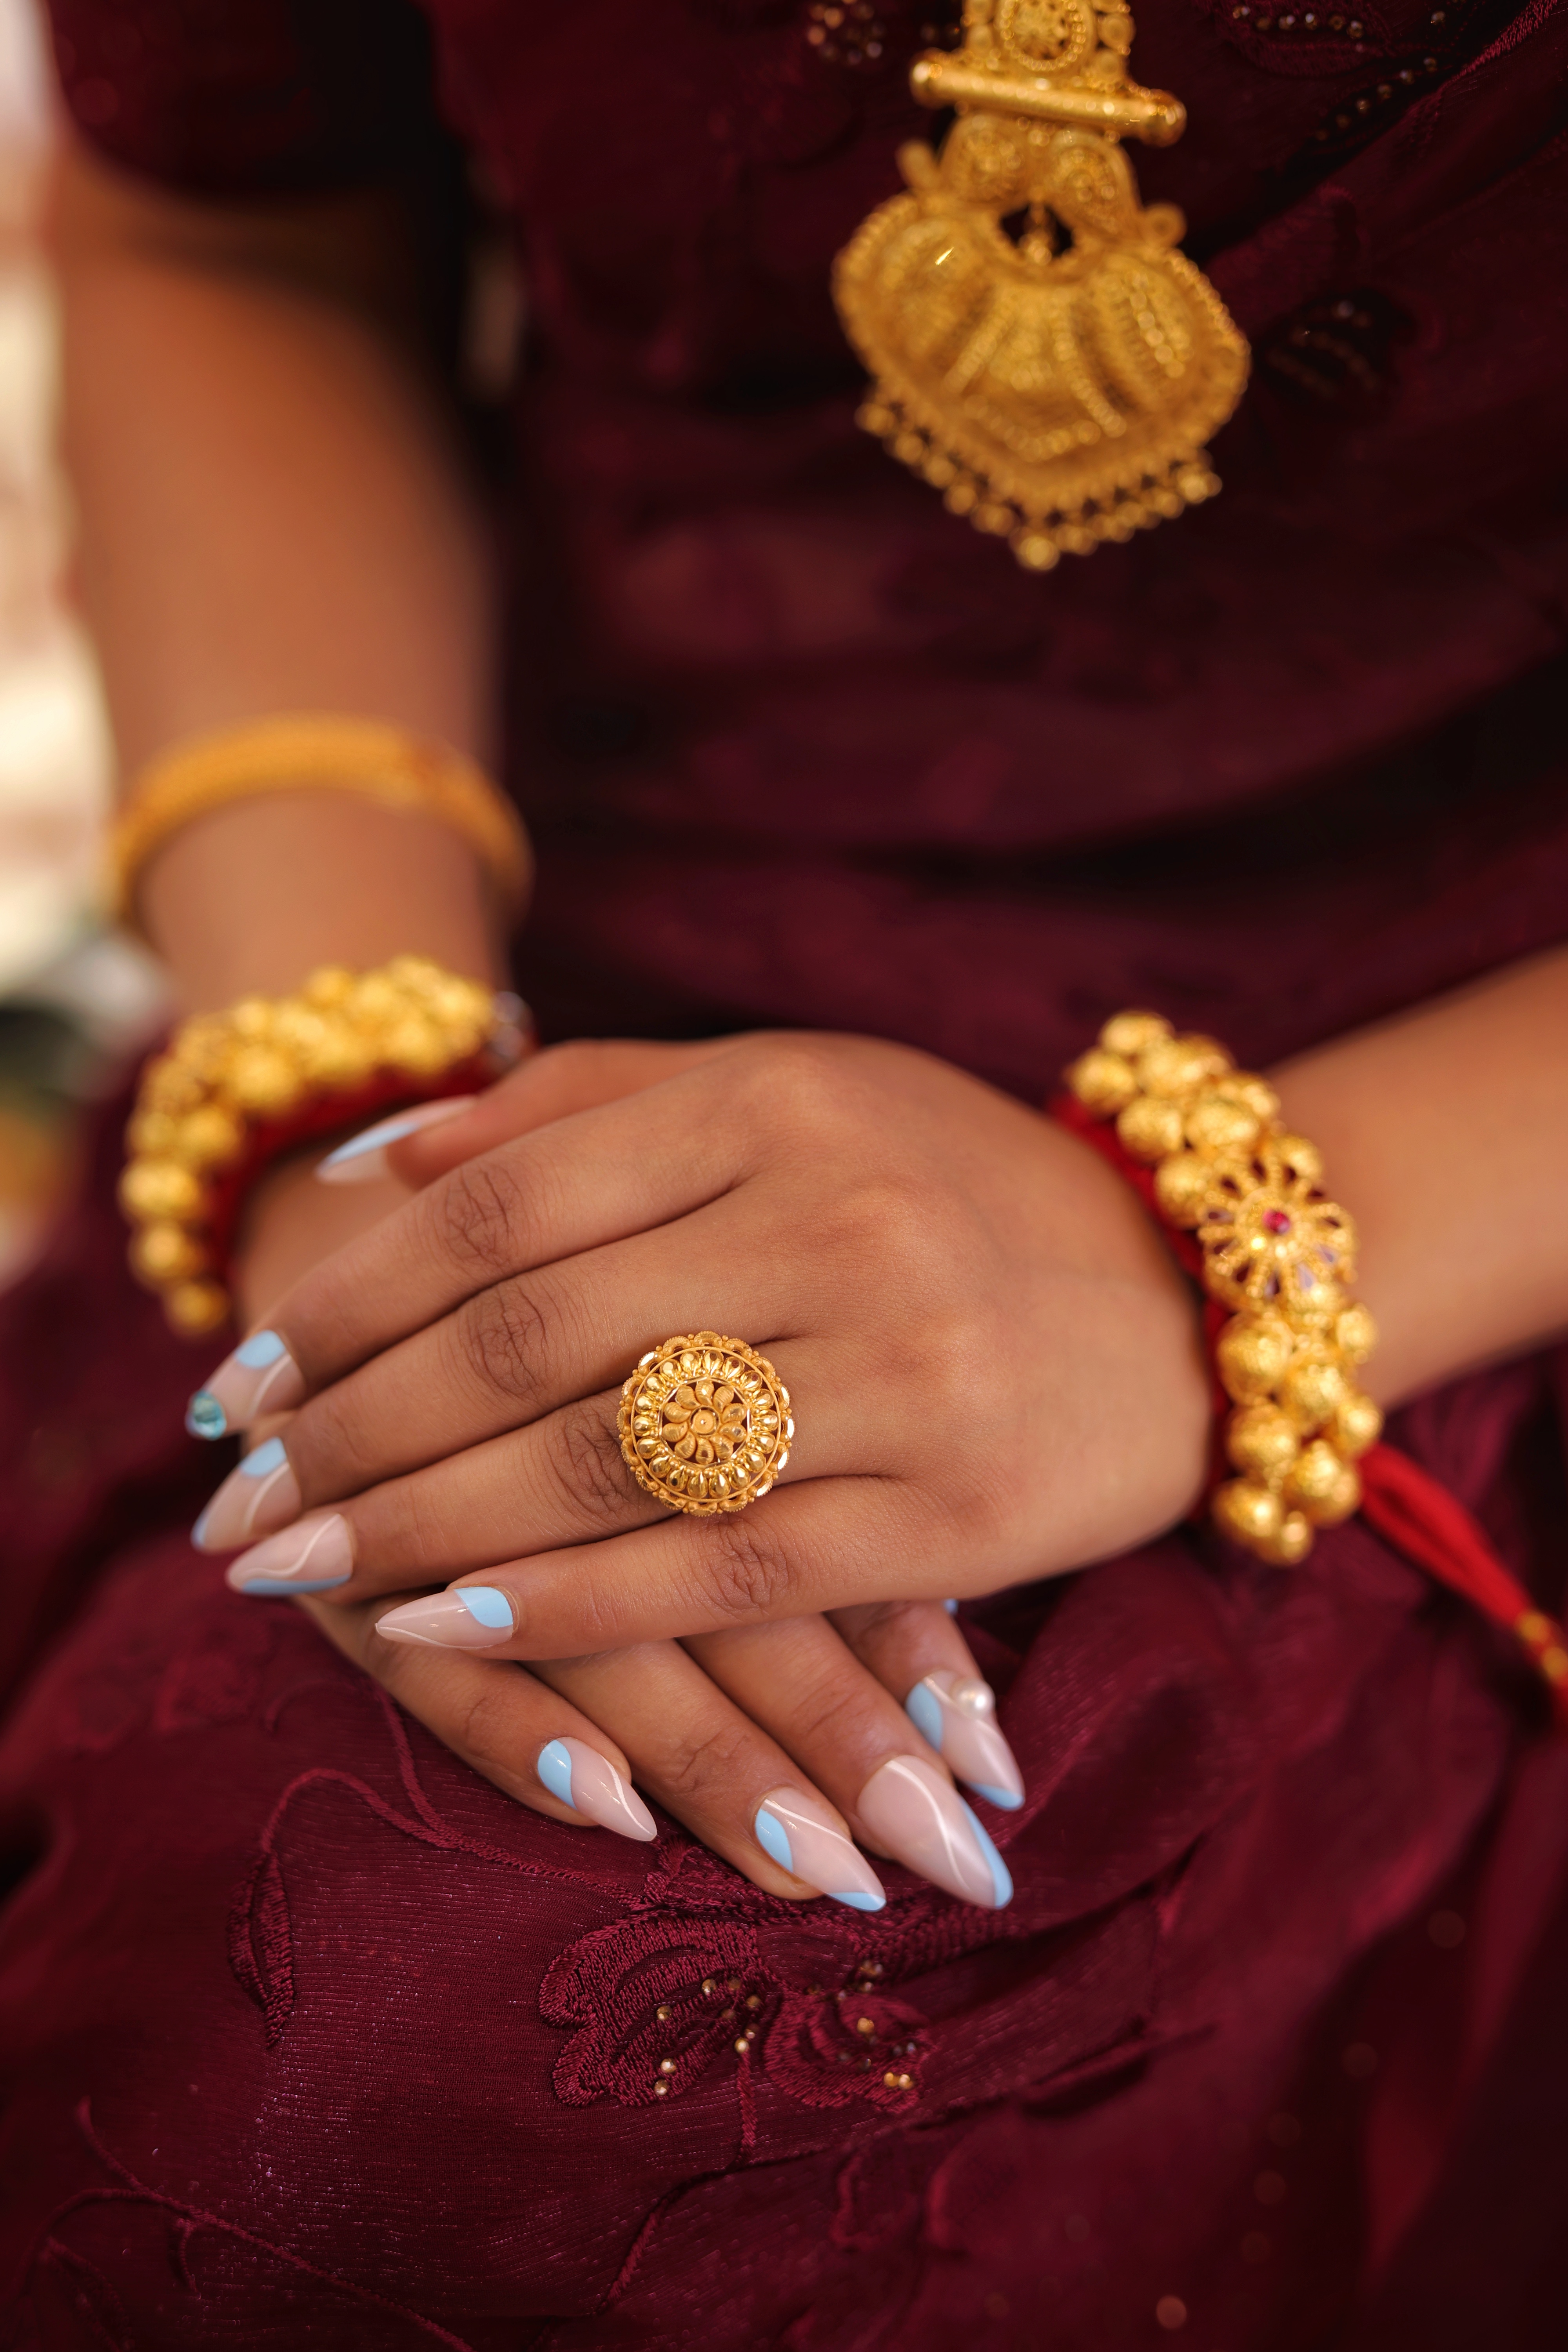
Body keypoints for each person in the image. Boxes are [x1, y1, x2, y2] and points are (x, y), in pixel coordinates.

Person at [2, 0, 1566, 2342]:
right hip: (499, 956)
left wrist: (1216, 1262)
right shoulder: (408, 1101)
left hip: (1475, 1144)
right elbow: (230, 216)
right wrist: (350, 1105)